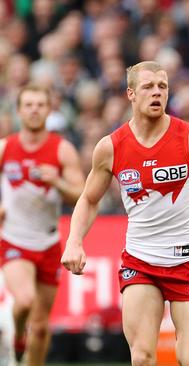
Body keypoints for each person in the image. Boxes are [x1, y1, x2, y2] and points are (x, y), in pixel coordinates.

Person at [60, 61, 189, 366]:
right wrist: (74, 241)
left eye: (163, 87)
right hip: (140, 263)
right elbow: (89, 199)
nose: (157, 93)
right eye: (148, 87)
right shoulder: (110, 147)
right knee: (142, 358)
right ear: (130, 93)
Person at [0, 85, 85, 366]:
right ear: (19, 110)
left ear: (49, 110)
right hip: (13, 239)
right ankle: (15, 336)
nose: (35, 109)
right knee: (24, 300)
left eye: (40, 104)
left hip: (48, 242)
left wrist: (57, 182)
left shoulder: (61, 150)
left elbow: (83, 194)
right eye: (29, 104)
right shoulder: (5, 147)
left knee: (41, 325)